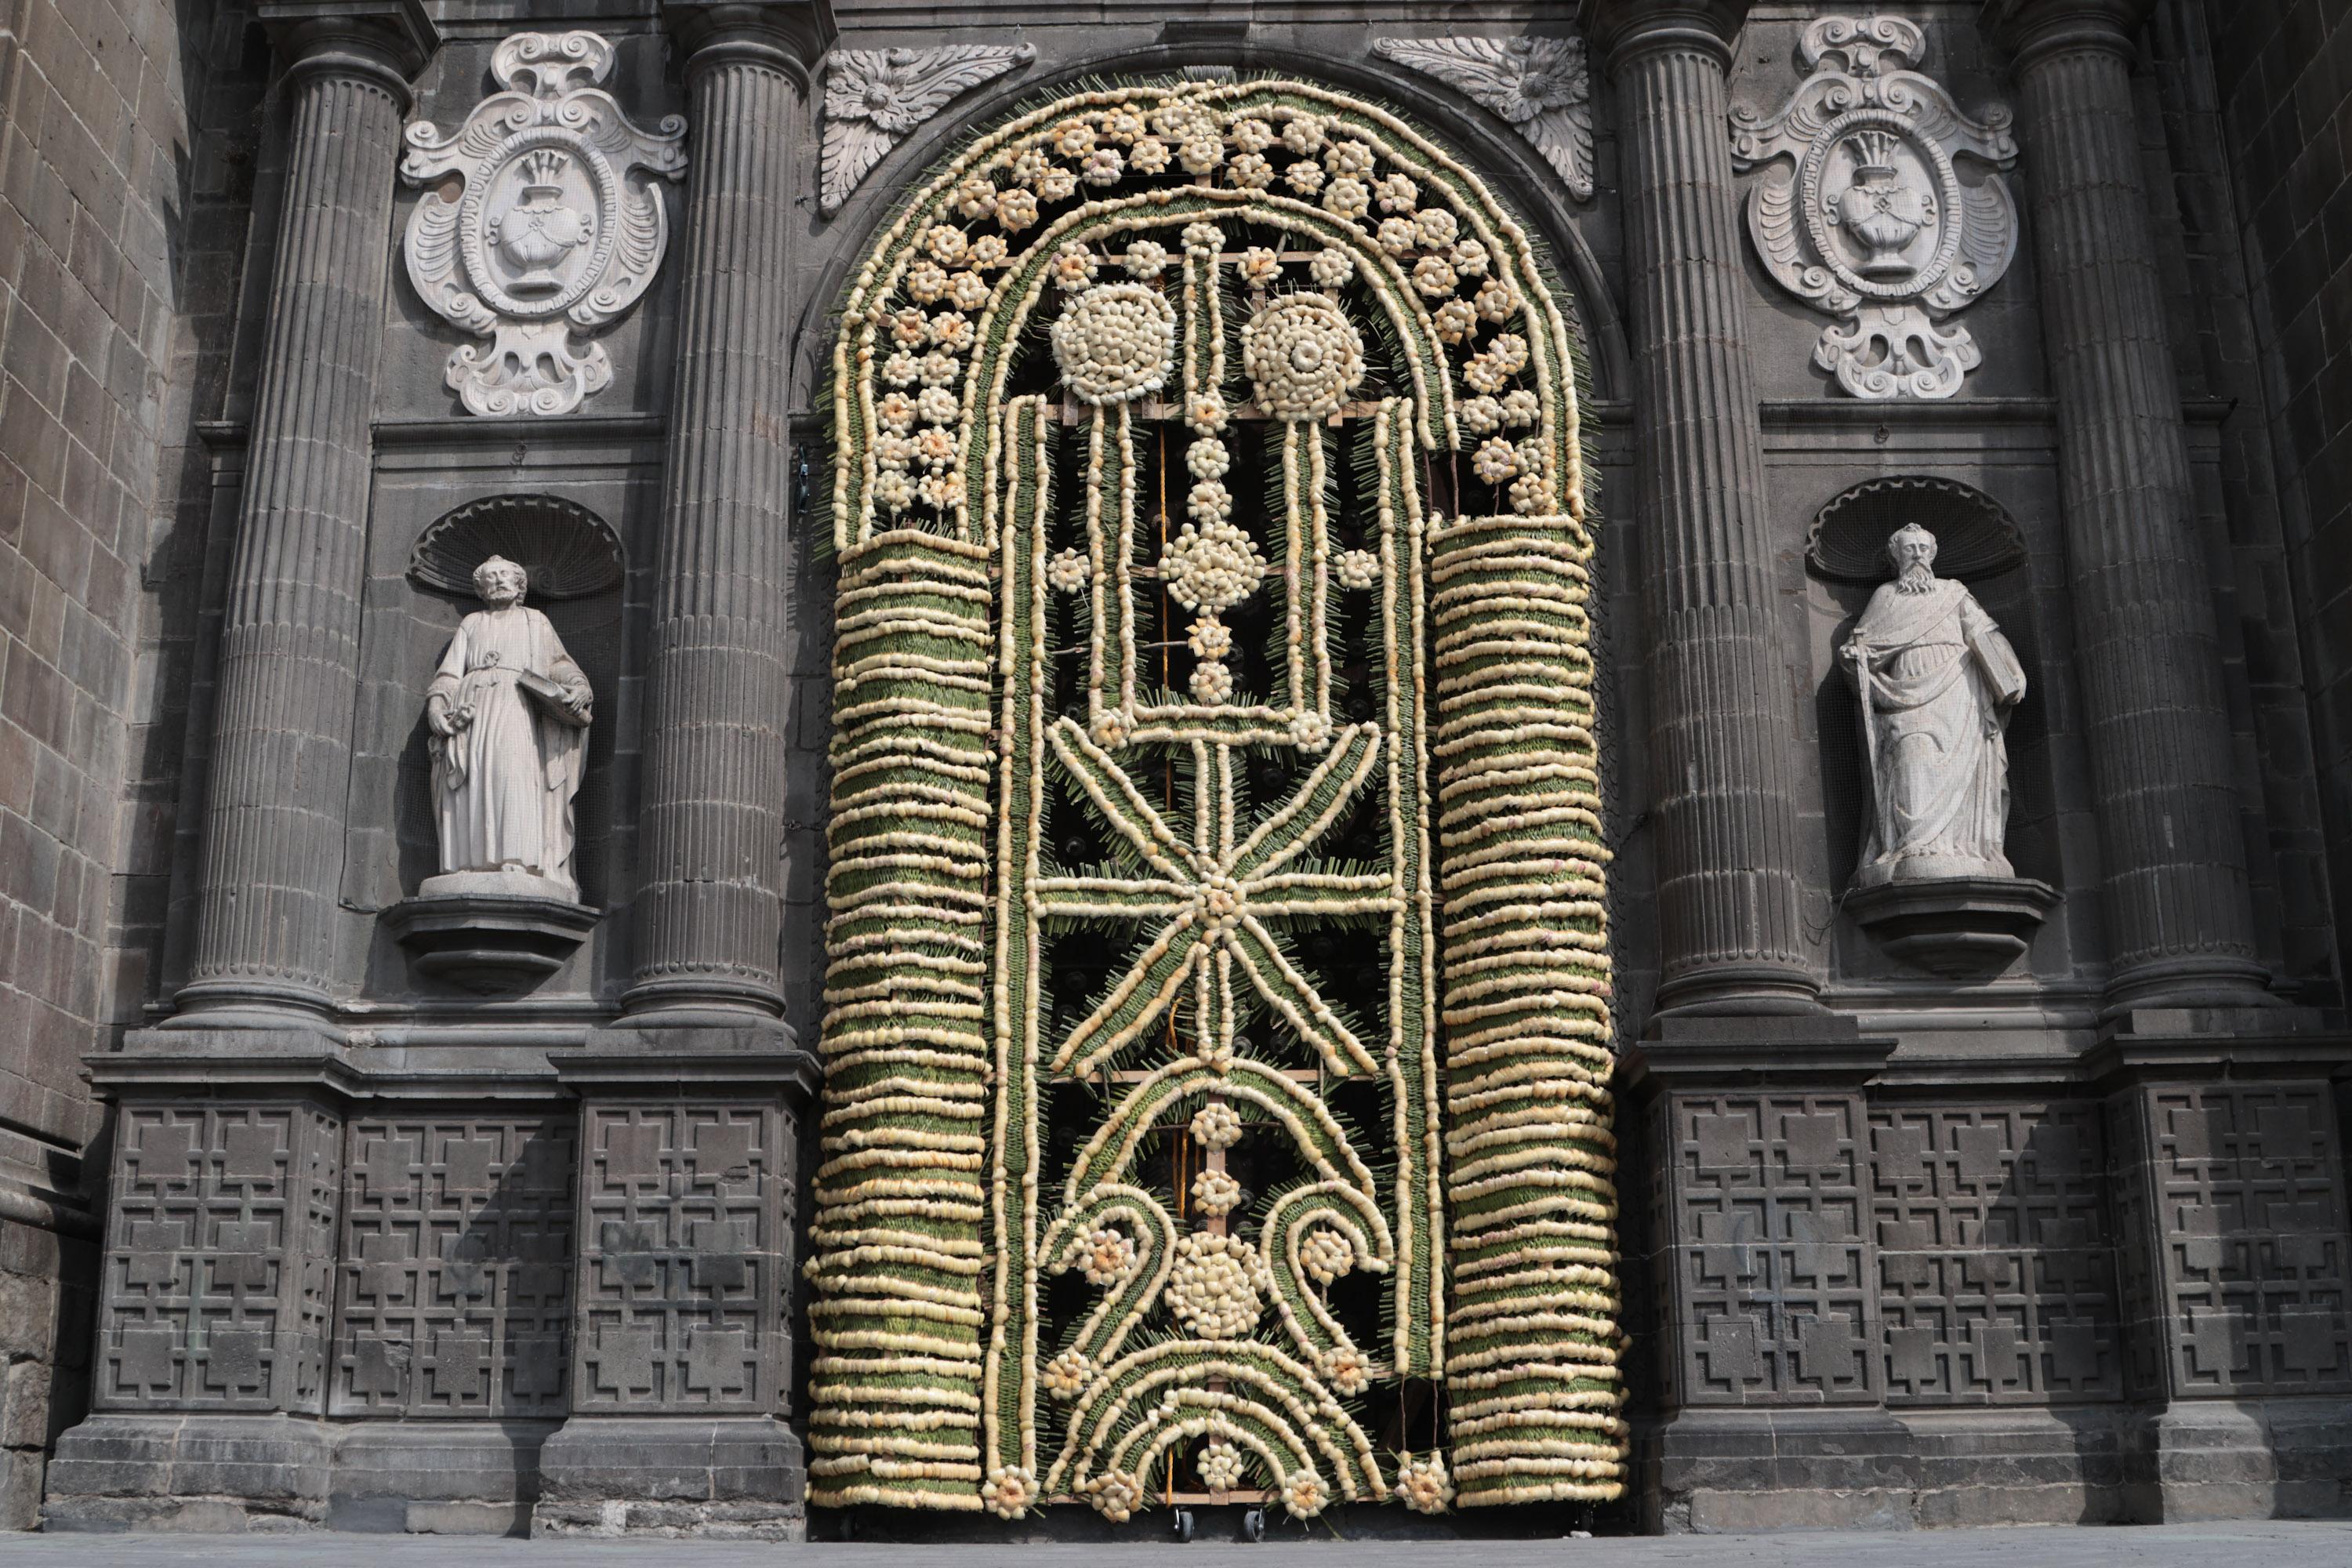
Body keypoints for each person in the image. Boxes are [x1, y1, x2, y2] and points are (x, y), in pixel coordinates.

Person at [1838, 523, 2026, 887]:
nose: (1918, 554)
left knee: (1963, 768)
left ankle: (1962, 846)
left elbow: (1984, 634)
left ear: (1934, 553)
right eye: (1910, 548)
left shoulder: (1953, 594)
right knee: (1913, 755)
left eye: (1924, 548)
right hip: (1904, 694)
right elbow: (1866, 649)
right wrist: (1854, 657)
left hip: (1958, 691)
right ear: (1896, 556)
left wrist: (2008, 672)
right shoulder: (1885, 598)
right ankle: (1913, 844)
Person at [426, 555, 593, 898]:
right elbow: (448, 675)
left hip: (517, 708)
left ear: (520, 584)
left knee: (512, 776)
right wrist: (437, 705)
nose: (499, 581)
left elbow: (559, 664)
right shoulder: (472, 624)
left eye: (506, 575)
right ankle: (468, 862)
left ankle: (517, 859)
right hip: (473, 712)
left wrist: (580, 686)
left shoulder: (536, 622)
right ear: (482, 588)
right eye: (491, 577)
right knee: (474, 777)